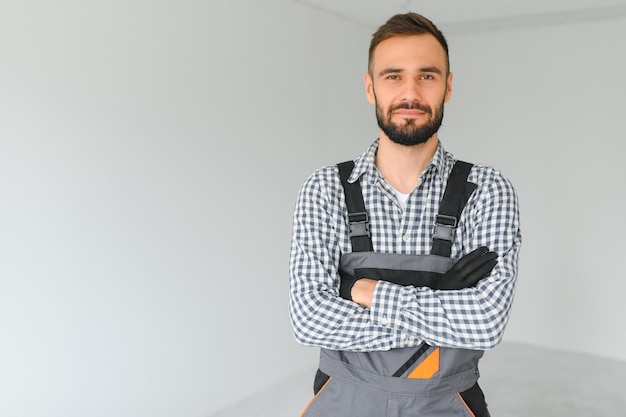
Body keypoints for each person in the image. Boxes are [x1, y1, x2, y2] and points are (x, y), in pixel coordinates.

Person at [289, 12, 521, 417]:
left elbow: (486, 323)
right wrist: (443, 299)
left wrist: (363, 291)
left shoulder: (486, 190)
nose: (410, 93)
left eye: (427, 76)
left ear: (447, 86)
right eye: (393, 76)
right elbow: (310, 320)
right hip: (342, 401)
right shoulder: (325, 188)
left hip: (447, 403)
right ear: (370, 87)